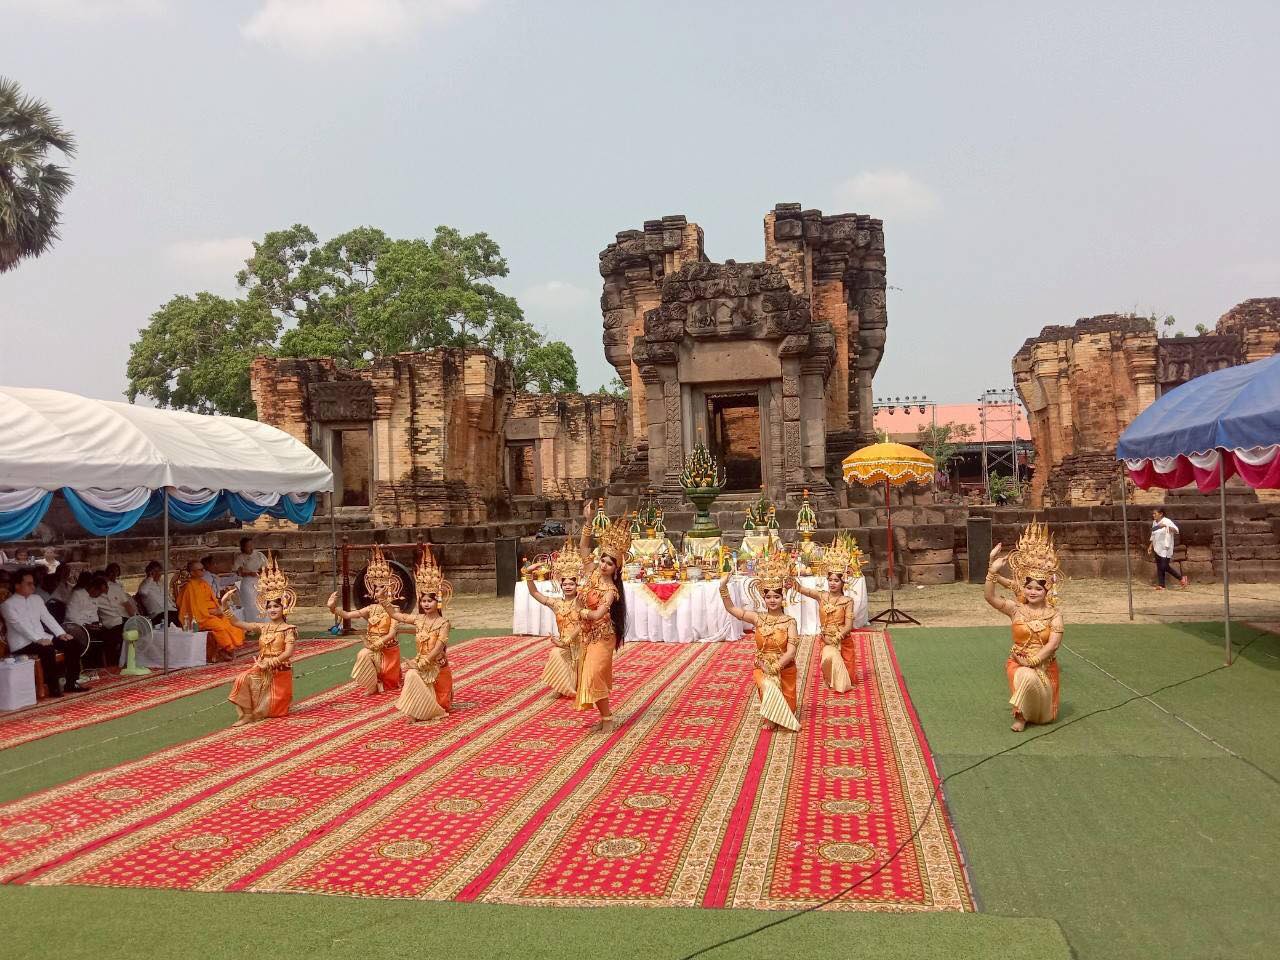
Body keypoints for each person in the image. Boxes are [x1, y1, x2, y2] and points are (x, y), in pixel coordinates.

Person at [984, 521, 1064, 733]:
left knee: (1044, 719)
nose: (1032, 592)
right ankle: (1020, 716)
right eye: (1028, 587)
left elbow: (1053, 645)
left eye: (1038, 588)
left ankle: (1033, 711)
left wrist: (1033, 661)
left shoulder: (1054, 615)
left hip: (1044, 666)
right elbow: (990, 596)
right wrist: (992, 571)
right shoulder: (1015, 610)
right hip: (1018, 663)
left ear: (1047, 590)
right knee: (1025, 676)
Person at [718, 550, 801, 732]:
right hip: (762, 664)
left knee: (788, 707)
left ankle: (782, 712)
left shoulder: (789, 622)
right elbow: (732, 609)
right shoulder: (757, 618)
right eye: (768, 596)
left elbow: (791, 652)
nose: (772, 600)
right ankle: (771, 714)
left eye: (776, 596)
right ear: (763, 598)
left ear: (783, 598)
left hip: (784, 666)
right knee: (767, 684)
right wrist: (723, 588)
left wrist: (775, 668)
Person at [222, 554, 297, 726]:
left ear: (283, 608)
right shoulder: (262, 627)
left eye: (276, 606)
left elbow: (288, 653)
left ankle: (255, 711)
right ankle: (246, 714)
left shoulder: (289, 629)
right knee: (242, 678)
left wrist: (269, 663)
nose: (272, 609)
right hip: (262, 667)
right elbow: (237, 622)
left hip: (279, 672)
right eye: (269, 606)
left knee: (265, 712)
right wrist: (225, 605)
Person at [574, 500, 629, 733]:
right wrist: (588, 520)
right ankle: (605, 717)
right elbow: (584, 548)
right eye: (604, 560)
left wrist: (580, 611)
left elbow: (597, 614)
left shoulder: (611, 592)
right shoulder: (593, 572)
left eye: (610, 562)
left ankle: (607, 718)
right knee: (590, 676)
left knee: (594, 675)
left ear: (617, 568)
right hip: (588, 636)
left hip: (603, 636)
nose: (605, 565)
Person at [327, 545, 403, 695]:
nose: (378, 590)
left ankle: (384, 680)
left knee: (390, 685)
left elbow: (392, 633)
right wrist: (333, 608)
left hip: (387, 650)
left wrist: (379, 643)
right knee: (362, 654)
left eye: (382, 587)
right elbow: (348, 615)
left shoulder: (395, 610)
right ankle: (371, 684)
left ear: (390, 589)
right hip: (372, 647)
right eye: (376, 588)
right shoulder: (371, 608)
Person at [390, 550, 453, 722]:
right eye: (423, 601)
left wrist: (424, 661)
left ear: (437, 601)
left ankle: (425, 709)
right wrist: (382, 601)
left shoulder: (443, 623)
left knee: (413, 675)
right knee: (411, 674)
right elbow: (397, 616)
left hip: (437, 669)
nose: (426, 604)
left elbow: (439, 647)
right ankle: (412, 711)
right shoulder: (418, 619)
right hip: (421, 664)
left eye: (429, 601)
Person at [0, 570, 85, 697]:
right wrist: (37, 640)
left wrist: (61, 633)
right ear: (17, 585)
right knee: (47, 649)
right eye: (28, 584)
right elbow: (19, 626)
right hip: (22, 643)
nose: (33, 587)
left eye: (33, 583)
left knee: (72, 643)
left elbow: (47, 617)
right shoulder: (7, 605)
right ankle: (54, 688)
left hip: (43, 637)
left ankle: (71, 684)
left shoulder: (37, 599)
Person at [793, 537, 859, 692]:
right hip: (825, 638)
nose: (832, 583)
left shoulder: (847, 601)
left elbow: (849, 625)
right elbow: (804, 590)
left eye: (836, 580)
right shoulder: (821, 596)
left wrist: (837, 638)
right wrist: (791, 583)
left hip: (842, 639)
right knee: (828, 662)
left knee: (847, 680)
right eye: (830, 580)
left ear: (843, 582)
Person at [525, 550, 585, 698]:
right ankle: (563, 685)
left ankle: (572, 685)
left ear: (577, 585)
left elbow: (583, 623)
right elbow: (535, 593)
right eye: (565, 584)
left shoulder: (581, 602)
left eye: (572, 584)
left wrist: (567, 640)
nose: (568, 587)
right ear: (561, 586)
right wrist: (528, 575)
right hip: (564, 645)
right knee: (556, 653)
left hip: (581, 643)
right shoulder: (556, 604)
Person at [177, 559, 246, 662]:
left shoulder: (203, 583)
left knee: (232, 622)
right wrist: (211, 612)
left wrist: (219, 609)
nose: (203, 571)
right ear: (192, 572)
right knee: (220, 627)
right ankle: (225, 649)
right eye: (200, 569)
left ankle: (227, 649)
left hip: (213, 612)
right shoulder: (189, 587)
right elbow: (192, 608)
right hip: (200, 617)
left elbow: (213, 599)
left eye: (203, 569)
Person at [96, 562, 137, 667]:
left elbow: (127, 605)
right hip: (110, 624)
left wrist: (135, 618)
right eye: (111, 573)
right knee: (114, 637)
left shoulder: (116, 587)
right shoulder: (94, 594)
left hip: (123, 619)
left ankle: (134, 660)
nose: (113, 576)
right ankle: (115, 664)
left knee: (135, 628)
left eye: (115, 573)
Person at [1148, 507, 1188, 590]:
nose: (1153, 515)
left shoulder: (1167, 521)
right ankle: (1161, 585)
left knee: (1164, 566)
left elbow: (1176, 530)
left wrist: (1166, 526)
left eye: (1155, 513)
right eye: (1153, 514)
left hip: (1165, 547)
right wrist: (1150, 546)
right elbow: (1153, 535)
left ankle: (1181, 578)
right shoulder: (1154, 523)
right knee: (1159, 566)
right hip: (1157, 546)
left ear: (1161, 514)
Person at [136, 560, 180, 627]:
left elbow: (168, 598)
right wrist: (150, 577)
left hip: (170, 611)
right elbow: (142, 592)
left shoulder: (161, 583)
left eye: (159, 571)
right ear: (150, 572)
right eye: (155, 571)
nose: (158, 573)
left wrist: (176, 607)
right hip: (157, 615)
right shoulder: (145, 584)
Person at [234, 537, 267, 620]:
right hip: (247, 582)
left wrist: (262, 572)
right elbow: (239, 572)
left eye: (251, 545)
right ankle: (251, 621)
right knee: (250, 602)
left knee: (261, 601)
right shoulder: (240, 557)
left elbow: (266, 567)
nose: (251, 548)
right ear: (243, 547)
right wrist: (249, 573)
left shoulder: (259, 555)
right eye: (248, 546)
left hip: (259, 581)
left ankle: (262, 621)